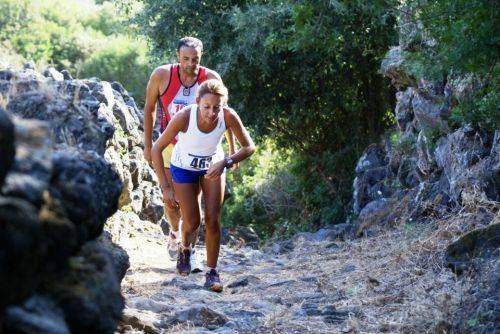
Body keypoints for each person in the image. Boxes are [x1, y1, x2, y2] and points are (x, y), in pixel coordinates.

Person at [151, 79, 255, 292]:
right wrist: (165, 187)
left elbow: (249, 147)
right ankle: (185, 248)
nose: (211, 112)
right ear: (197, 101)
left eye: (216, 107)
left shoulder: (228, 116)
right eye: (206, 107)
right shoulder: (184, 117)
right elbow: (156, 149)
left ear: (222, 105)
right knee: (192, 222)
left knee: (213, 219)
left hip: (213, 166)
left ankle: (211, 272)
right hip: (183, 167)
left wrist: (226, 161)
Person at [143, 37, 235, 269]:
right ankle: (174, 231)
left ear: (201, 58)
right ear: (178, 57)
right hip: (169, 143)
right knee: (170, 201)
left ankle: (189, 250)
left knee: (193, 207)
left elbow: (226, 117)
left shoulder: (211, 78)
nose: (190, 64)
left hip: (200, 147)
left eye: (195, 59)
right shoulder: (162, 75)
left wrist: (230, 152)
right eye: (185, 59)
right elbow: (149, 108)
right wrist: (147, 144)